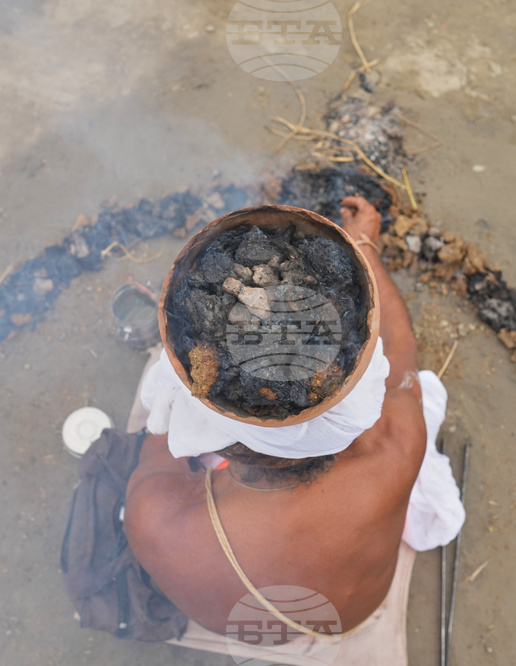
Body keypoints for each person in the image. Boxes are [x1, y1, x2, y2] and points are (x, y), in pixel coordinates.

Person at [123, 197, 463, 652]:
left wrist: (185, 373)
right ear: (345, 417)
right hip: (352, 614)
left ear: (217, 444)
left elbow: (161, 435)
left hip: (243, 623)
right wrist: (364, 243)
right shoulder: (396, 446)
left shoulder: (157, 520)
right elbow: (400, 351)